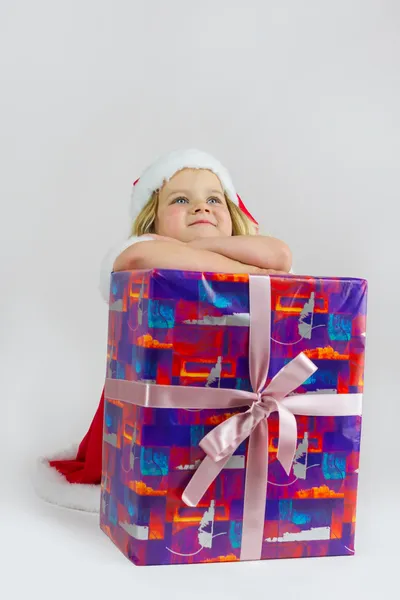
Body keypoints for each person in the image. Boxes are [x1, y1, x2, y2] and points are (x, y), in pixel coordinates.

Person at [34, 149, 293, 513]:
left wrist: (199, 245)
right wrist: (249, 270)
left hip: (230, 388)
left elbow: (280, 255)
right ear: (152, 221)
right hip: (161, 389)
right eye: (181, 199)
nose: (201, 208)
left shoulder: (238, 247)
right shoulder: (138, 249)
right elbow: (142, 257)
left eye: (214, 200)